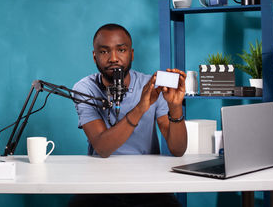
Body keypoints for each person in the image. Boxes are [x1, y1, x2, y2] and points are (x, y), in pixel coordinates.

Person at [68, 23, 187, 207]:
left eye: (121, 50)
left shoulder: (150, 84)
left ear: (131, 54)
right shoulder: (85, 88)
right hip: (100, 184)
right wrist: (141, 107)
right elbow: (103, 148)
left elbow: (178, 149)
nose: (113, 58)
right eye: (104, 52)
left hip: (147, 184)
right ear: (94, 56)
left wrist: (175, 107)